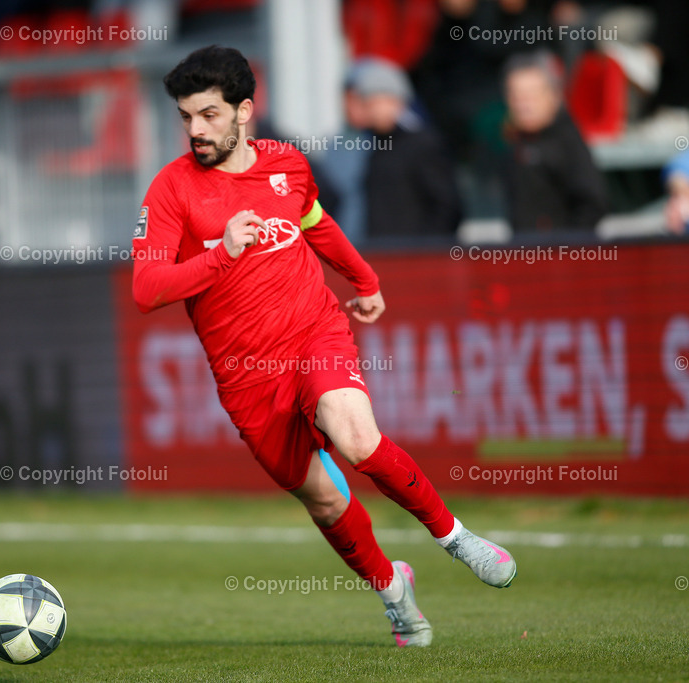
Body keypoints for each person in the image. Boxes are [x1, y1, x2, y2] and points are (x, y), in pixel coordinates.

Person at [132, 45, 516, 648]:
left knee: (355, 435)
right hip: (246, 376)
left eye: (209, 114)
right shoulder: (171, 191)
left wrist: (363, 280)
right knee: (324, 502)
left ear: (245, 111)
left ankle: (457, 539)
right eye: (186, 117)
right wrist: (220, 254)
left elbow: (315, 224)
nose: (196, 129)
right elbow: (147, 287)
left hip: (314, 332)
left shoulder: (287, 165)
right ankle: (394, 591)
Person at [343, 57, 462, 239]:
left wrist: (426, 249)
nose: (370, 110)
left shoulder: (422, 144)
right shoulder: (373, 145)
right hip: (381, 254)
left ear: (395, 101)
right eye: (367, 103)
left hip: (413, 258)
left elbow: (447, 206)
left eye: (375, 102)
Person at [502, 49, 607, 232]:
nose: (523, 104)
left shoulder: (567, 141)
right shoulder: (516, 140)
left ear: (554, 95)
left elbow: (592, 203)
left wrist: (564, 250)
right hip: (523, 253)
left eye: (531, 94)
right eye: (516, 96)